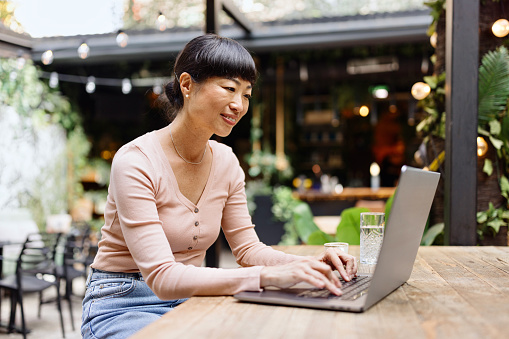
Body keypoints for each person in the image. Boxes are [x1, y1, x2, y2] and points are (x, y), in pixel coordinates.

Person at [81, 34, 357, 339]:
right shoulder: (135, 161)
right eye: (229, 88)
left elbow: (248, 250)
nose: (238, 105)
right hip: (124, 301)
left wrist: (309, 264)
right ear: (187, 85)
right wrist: (267, 276)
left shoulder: (225, 161)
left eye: (247, 94)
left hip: (192, 297)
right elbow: (161, 277)